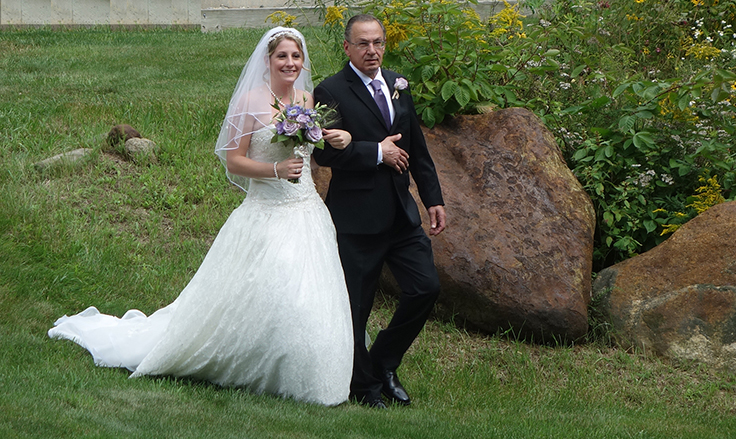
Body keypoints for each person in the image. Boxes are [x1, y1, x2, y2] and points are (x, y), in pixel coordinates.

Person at [47, 27, 355, 406]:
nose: (290, 63)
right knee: (268, 288)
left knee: (307, 296)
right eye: (282, 57)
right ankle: (247, 360)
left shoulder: (306, 98)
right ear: (268, 60)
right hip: (266, 211)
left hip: (306, 211)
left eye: (296, 57)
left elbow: (308, 146)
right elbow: (234, 160)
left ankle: (308, 369)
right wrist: (275, 171)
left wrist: (334, 136)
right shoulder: (250, 101)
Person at [312, 14, 446, 409]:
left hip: (402, 216)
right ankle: (364, 387)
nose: (372, 51)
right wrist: (376, 152)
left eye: (378, 43)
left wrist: (433, 198)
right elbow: (321, 153)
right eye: (363, 44)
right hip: (357, 219)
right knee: (356, 308)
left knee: (426, 288)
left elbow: (416, 147)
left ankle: (383, 362)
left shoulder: (398, 84)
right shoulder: (331, 90)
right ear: (347, 48)